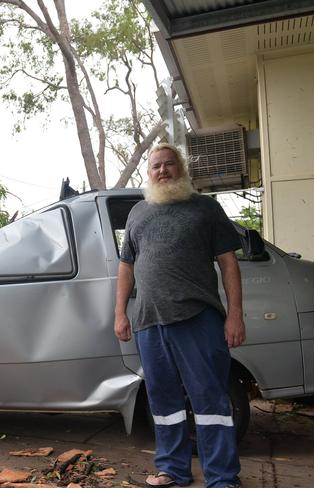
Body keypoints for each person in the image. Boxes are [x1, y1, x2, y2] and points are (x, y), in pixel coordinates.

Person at [114, 143, 245, 488]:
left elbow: (229, 263)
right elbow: (126, 266)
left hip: (198, 318)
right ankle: (172, 469)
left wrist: (235, 315)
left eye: (169, 164)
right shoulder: (138, 213)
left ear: (181, 169)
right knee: (163, 401)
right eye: (156, 166)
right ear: (149, 174)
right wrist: (120, 314)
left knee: (210, 400)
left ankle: (222, 477)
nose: (162, 171)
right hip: (148, 322)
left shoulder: (206, 208)